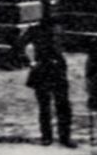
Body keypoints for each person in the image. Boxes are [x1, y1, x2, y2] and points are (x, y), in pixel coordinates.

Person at [19, 11, 73, 147]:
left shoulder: (59, 30)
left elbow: (62, 48)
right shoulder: (35, 31)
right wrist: (31, 62)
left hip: (59, 72)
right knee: (45, 106)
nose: (58, 28)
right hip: (42, 72)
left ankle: (65, 137)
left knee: (63, 105)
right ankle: (47, 137)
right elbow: (19, 44)